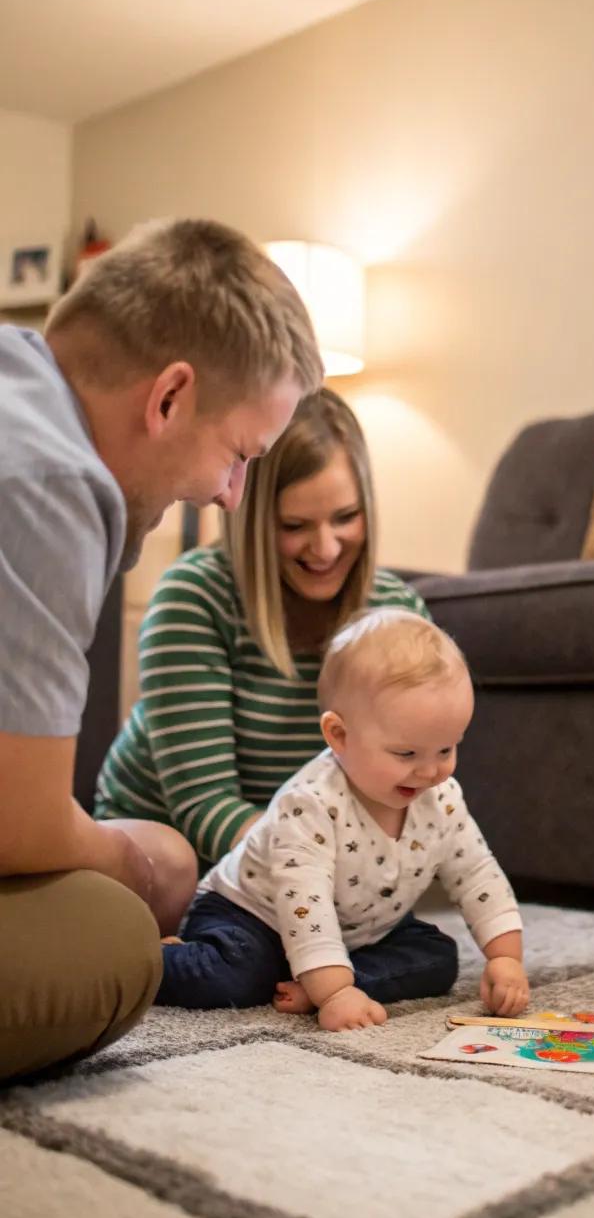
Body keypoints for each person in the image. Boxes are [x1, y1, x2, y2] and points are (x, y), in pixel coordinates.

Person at [0, 217, 323, 1082]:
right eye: (238, 454)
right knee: (110, 938)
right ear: (170, 396)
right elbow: (17, 823)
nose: (228, 496)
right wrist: (141, 870)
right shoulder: (52, 478)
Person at [94, 389, 430, 934]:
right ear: (250, 518)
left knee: (423, 956)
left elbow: (413, 785)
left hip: (309, 866)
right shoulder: (193, 597)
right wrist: (319, 880)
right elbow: (204, 806)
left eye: (345, 517)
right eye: (295, 526)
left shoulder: (397, 610)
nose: (324, 548)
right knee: (187, 884)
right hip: (181, 852)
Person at [158, 608, 530, 1029]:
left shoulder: (440, 797)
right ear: (339, 735)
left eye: (446, 749)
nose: (430, 772)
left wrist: (504, 957)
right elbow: (306, 904)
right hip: (253, 919)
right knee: (234, 976)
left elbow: (477, 873)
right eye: (406, 754)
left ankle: (324, 981)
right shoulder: (310, 803)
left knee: (438, 957)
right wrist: (334, 994)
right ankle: (161, 959)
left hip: (358, 930)